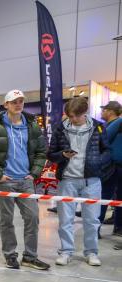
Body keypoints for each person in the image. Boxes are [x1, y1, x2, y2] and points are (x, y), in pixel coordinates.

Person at [0, 89, 50, 270]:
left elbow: (42, 152)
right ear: (6, 105)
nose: (18, 105)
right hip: (5, 181)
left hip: (26, 181)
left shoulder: (32, 126)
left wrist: (34, 173)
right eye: (14, 102)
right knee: (6, 220)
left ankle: (30, 256)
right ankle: (10, 255)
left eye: (21, 101)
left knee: (33, 218)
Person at [47, 97, 110, 266]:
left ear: (85, 112)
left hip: (92, 181)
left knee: (92, 219)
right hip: (67, 181)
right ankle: (66, 251)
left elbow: (107, 151)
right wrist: (62, 155)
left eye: (76, 116)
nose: (73, 119)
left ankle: (91, 252)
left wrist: (97, 162)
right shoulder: (60, 128)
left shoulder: (98, 127)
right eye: (70, 116)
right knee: (65, 220)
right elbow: (51, 153)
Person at [99, 100, 122, 236]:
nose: (102, 112)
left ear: (110, 111)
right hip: (115, 165)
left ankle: (95, 229)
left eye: (104, 109)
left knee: (104, 198)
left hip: (112, 167)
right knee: (116, 198)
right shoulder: (111, 124)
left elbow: (103, 140)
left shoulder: (116, 123)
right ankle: (118, 227)